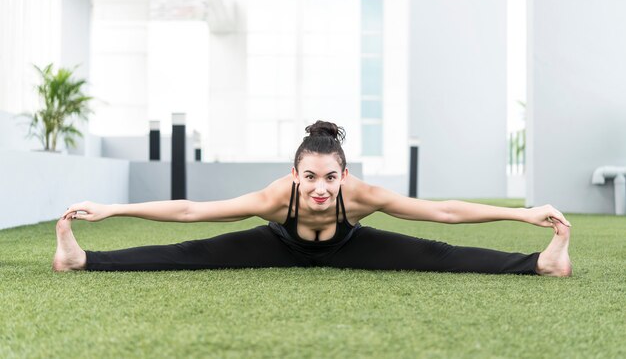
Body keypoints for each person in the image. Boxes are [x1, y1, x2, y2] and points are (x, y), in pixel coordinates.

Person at [53, 121, 572, 276]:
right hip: (279, 244)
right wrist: (112, 208)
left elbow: (443, 212)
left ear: (344, 174)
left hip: (350, 246)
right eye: (310, 177)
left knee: (436, 255)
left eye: (330, 177)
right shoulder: (276, 198)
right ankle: (84, 260)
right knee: (196, 253)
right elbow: (190, 210)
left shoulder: (362, 195)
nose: (321, 188)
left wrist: (521, 213)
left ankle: (541, 265)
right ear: (295, 175)